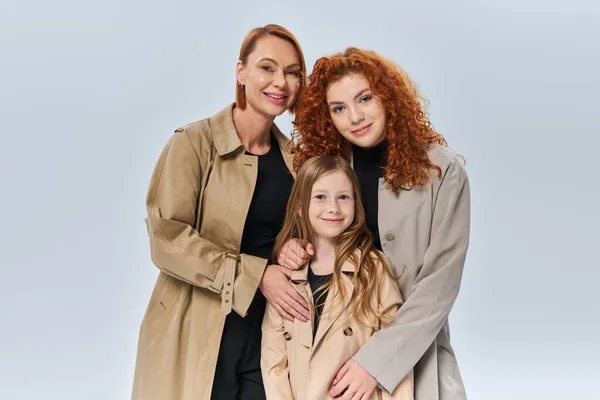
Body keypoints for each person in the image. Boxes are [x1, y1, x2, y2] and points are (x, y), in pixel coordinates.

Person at [280, 47, 471, 399]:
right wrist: (293, 247)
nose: (354, 117)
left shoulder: (442, 170)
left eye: (364, 98)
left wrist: (376, 362)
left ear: (388, 97)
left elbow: (439, 286)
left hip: (413, 356)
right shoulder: (329, 168)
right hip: (332, 356)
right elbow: (310, 237)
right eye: (339, 108)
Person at [131, 24, 310, 400]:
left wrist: (295, 250)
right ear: (240, 71)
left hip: (267, 338)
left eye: (292, 72)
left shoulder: (298, 162)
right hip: (195, 331)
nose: (281, 81)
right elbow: (167, 238)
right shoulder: (193, 143)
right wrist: (255, 274)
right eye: (267, 67)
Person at [261, 155, 414, 400]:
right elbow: (273, 363)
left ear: (356, 204)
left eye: (343, 197)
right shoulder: (287, 276)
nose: (333, 207)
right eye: (320, 197)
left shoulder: (373, 268)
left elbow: (394, 347)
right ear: (300, 207)